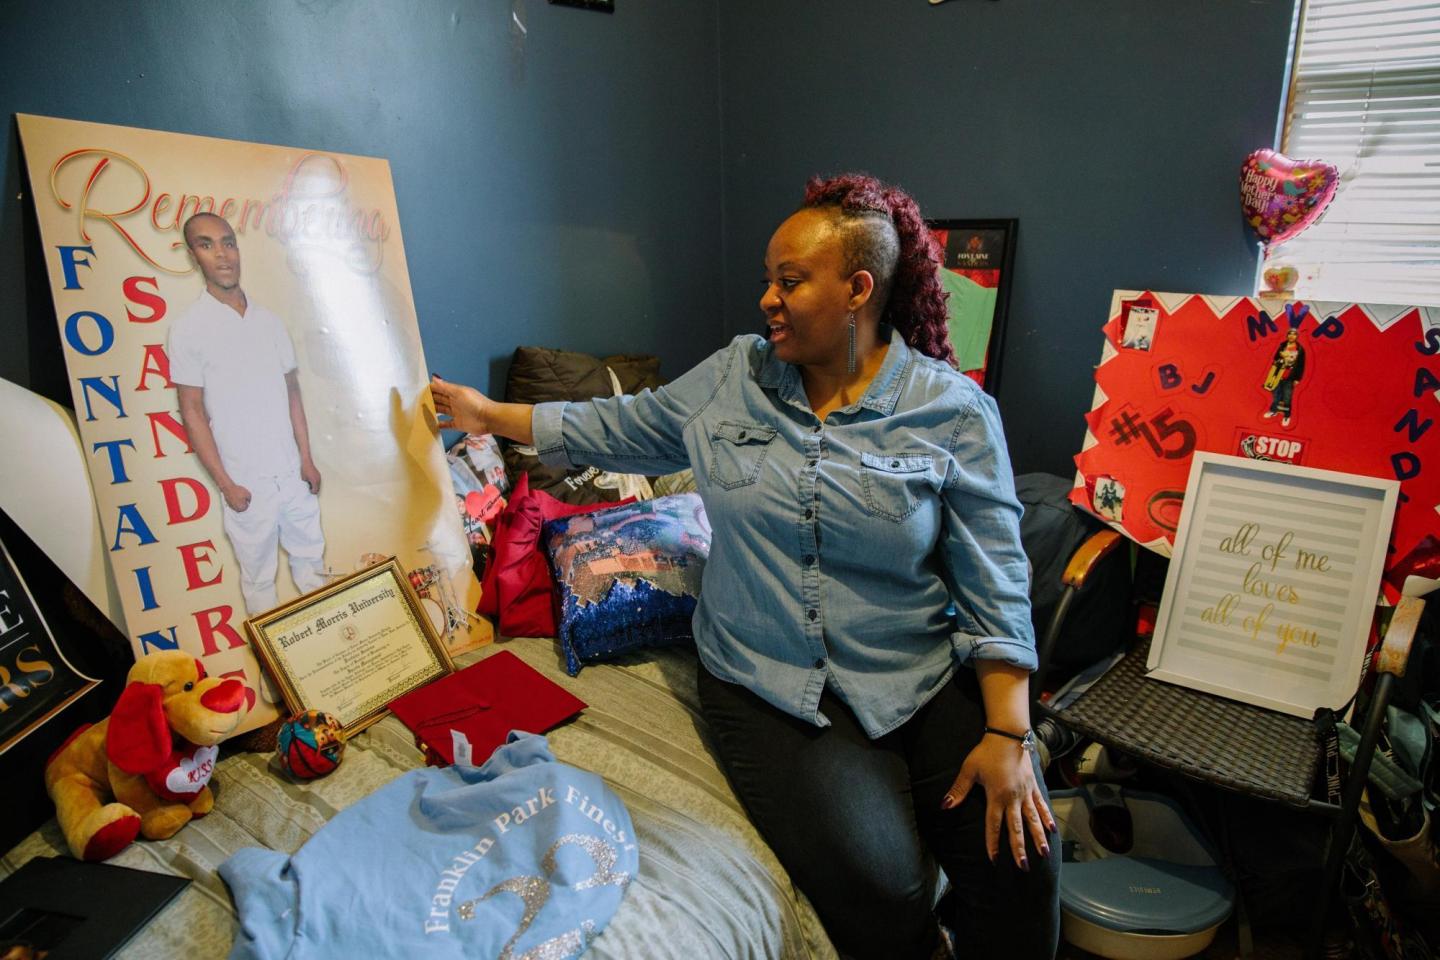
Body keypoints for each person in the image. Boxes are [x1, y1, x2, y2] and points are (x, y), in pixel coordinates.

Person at [432, 173, 1059, 960]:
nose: (767, 298)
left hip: (917, 672)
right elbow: (619, 426)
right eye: (769, 278)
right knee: (886, 882)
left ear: (858, 289)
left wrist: (1009, 728)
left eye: (789, 281)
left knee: (1026, 856)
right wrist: (485, 415)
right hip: (771, 683)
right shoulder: (736, 378)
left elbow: (995, 574)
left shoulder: (952, 412)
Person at [170, 212, 327, 615]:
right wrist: (225, 483)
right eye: (206, 245)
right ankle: (276, 673)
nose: (222, 255)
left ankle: (333, 656)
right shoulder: (189, 329)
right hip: (246, 480)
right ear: (193, 256)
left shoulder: (270, 322)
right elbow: (192, 412)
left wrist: (306, 459)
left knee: (312, 563)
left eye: (228, 242)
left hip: (291, 472)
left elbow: (292, 393)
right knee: (258, 578)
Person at [1262, 326, 1305, 428]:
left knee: (1287, 396)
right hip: (1277, 374)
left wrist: (1297, 378)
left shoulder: (1300, 349)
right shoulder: (1282, 345)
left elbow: (1301, 364)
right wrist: (1281, 356)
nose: (1291, 336)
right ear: (1287, 335)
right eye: (1290, 334)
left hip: (1290, 376)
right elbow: (1275, 357)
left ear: (1297, 336)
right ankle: (1273, 411)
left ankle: (1286, 416)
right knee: (1276, 394)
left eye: (1294, 334)